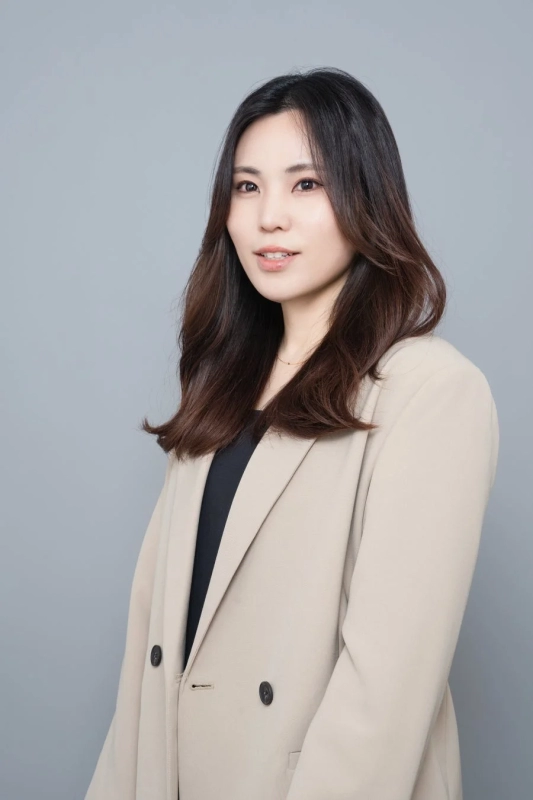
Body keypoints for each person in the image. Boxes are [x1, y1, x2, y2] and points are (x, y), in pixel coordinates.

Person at [84, 67, 499, 800]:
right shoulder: (217, 390)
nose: (268, 216)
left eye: (305, 184)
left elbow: (383, 694)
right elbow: (152, 663)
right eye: (246, 187)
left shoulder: (428, 392)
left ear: (366, 198)